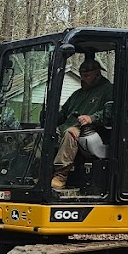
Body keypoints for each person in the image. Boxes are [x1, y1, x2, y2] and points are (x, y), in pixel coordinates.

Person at [51, 57, 113, 189]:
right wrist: (50, 118)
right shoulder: (77, 95)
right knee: (43, 134)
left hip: (93, 131)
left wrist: (92, 118)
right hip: (67, 126)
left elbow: (113, 112)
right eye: (81, 75)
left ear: (97, 74)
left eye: (86, 76)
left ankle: (60, 176)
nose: (82, 79)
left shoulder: (109, 90)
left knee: (71, 133)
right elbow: (63, 114)